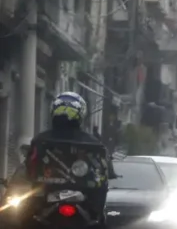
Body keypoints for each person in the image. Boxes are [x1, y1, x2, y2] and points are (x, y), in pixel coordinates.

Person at [23, 92, 116, 228]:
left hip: (49, 195)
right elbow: (104, 169)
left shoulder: (41, 139)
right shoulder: (93, 142)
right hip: (69, 197)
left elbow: (29, 164)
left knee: (24, 217)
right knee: (99, 217)